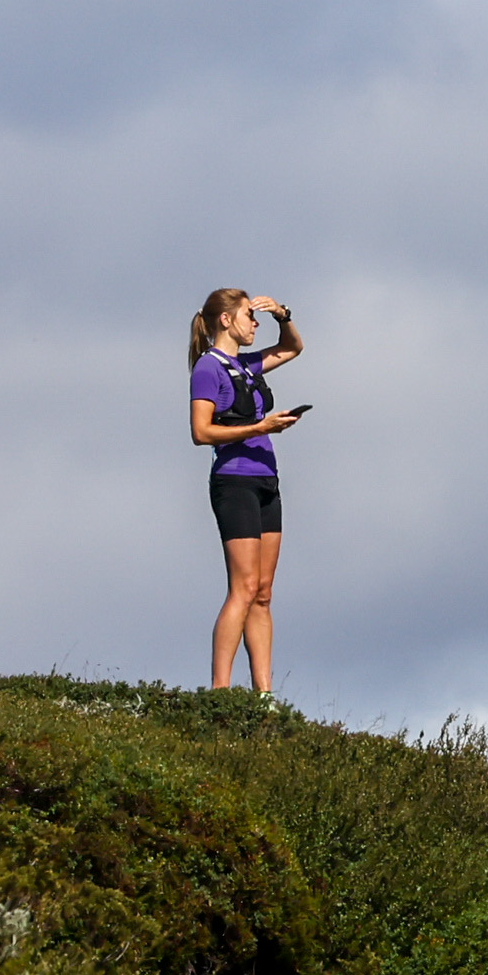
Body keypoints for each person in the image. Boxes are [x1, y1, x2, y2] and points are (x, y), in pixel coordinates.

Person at [186, 286, 312, 693]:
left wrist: (282, 313)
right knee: (241, 588)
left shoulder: (248, 365)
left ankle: (264, 694)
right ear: (226, 320)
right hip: (234, 480)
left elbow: (293, 347)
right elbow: (201, 432)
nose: (255, 323)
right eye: (249, 316)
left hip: (265, 480)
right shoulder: (209, 368)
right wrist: (260, 427)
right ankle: (219, 692)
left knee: (262, 592)